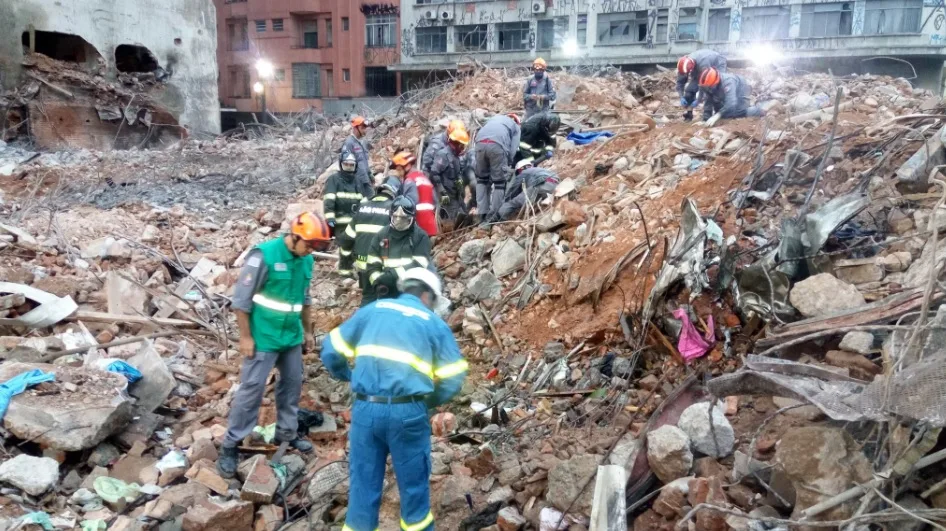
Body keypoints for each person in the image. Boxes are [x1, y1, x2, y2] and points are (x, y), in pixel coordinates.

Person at [321, 267, 468, 531]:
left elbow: (331, 350)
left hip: (366, 409)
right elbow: (454, 376)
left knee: (362, 488)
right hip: (408, 413)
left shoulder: (373, 310)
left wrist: (348, 376)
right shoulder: (432, 323)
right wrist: (428, 403)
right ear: (427, 295)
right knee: (414, 491)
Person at [217, 212, 332, 478]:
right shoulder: (264, 256)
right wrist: (246, 337)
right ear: (295, 236)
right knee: (252, 389)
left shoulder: (306, 261)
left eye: (316, 246)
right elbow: (241, 302)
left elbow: (305, 300)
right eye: (310, 244)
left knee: (292, 385)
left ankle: (287, 434)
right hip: (263, 337)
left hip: (290, 336)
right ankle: (231, 444)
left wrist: (307, 332)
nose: (311, 250)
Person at [362, 196, 432, 306]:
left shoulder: (420, 236)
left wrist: (391, 276)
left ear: (412, 218)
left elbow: (419, 264)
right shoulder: (382, 234)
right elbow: (372, 263)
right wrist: (378, 281)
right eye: (395, 217)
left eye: (404, 218)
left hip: (410, 290)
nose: (399, 221)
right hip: (385, 290)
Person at [340, 181, 398, 283]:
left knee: (367, 295)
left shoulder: (362, 207)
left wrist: (346, 269)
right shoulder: (394, 210)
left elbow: (347, 239)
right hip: (383, 268)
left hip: (362, 266)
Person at [474, 113, 521, 225]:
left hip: (479, 144)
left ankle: (481, 214)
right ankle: (493, 217)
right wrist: (508, 163)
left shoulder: (492, 119)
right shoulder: (515, 127)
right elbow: (513, 148)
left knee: (481, 180)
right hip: (497, 146)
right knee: (499, 183)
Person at [323, 151, 364, 276]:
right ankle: (345, 273)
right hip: (340, 221)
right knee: (345, 248)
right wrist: (330, 216)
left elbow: (362, 201)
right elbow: (329, 199)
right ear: (341, 165)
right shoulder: (334, 180)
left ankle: (357, 271)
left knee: (357, 247)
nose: (349, 168)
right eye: (346, 165)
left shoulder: (357, 181)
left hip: (354, 221)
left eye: (351, 165)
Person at [428, 127, 471, 225]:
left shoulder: (455, 156)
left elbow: (457, 172)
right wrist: (442, 192)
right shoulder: (443, 155)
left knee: (464, 213)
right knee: (453, 218)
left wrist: (460, 182)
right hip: (447, 194)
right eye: (462, 145)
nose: (463, 148)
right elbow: (434, 173)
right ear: (457, 143)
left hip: (456, 192)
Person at [393, 151, 438, 237]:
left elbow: (409, 205)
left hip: (417, 227)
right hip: (431, 226)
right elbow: (435, 201)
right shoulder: (424, 178)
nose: (398, 173)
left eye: (399, 169)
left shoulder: (409, 181)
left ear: (407, 166)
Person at [676, 50, 728, 121]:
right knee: (689, 91)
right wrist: (682, 97)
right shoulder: (683, 65)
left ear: (692, 68)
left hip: (718, 62)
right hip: (699, 67)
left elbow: (704, 86)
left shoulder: (703, 64)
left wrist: (698, 100)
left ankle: (712, 115)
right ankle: (689, 114)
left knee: (712, 88)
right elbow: (680, 83)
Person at [698, 68, 764, 123]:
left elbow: (731, 103)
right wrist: (705, 119)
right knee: (722, 112)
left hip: (741, 89)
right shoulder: (708, 85)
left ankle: (758, 110)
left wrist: (718, 115)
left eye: (709, 86)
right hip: (722, 90)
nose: (708, 88)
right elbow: (708, 100)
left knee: (734, 112)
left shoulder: (728, 81)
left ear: (715, 82)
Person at [342, 116, 375, 198]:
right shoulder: (349, 143)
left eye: (365, 128)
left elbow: (364, 161)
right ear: (356, 128)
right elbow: (346, 165)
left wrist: (370, 174)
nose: (365, 130)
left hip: (365, 179)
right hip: (356, 182)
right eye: (362, 128)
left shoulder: (363, 142)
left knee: (371, 200)